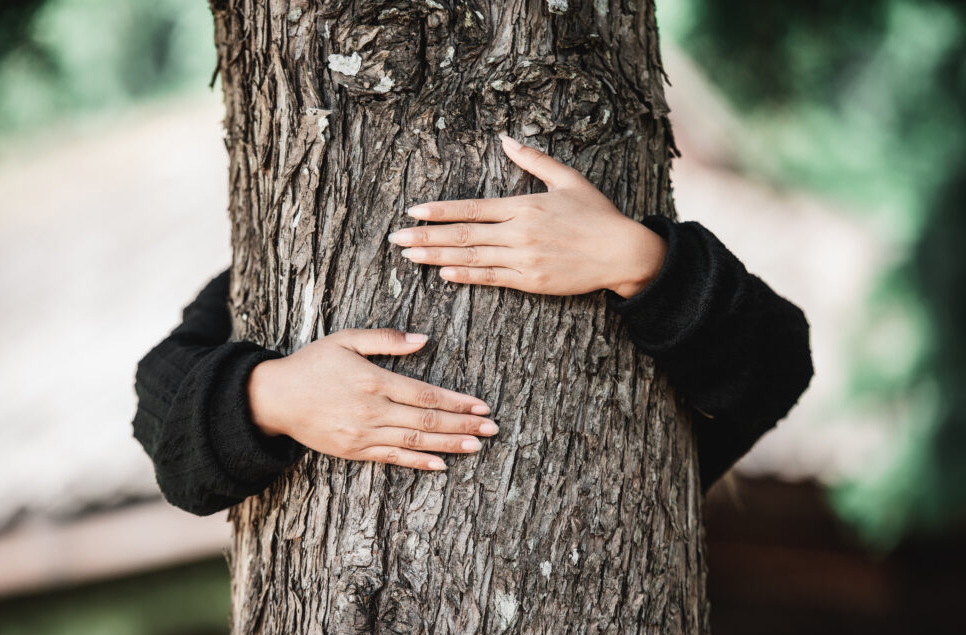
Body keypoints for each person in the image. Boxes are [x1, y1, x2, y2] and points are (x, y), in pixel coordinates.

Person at [133, 135, 813, 515]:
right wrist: (270, 396)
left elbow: (777, 368)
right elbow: (163, 417)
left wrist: (638, 259)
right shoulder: (277, 264)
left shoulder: (619, 220)